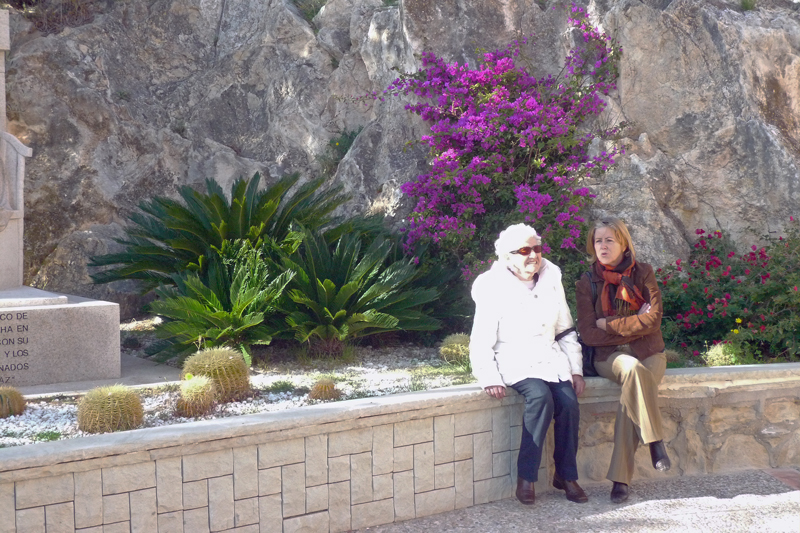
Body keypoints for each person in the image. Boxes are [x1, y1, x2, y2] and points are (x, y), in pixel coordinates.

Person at [469, 223, 588, 505]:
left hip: (550, 358)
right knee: (540, 397)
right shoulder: (491, 285)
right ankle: (527, 477)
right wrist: (489, 377)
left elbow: (565, 329)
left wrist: (576, 369)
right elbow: (481, 338)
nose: (533, 255)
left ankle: (566, 475)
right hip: (515, 359)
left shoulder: (551, 276)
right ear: (507, 256)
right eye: (523, 250)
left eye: (536, 248)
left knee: (569, 403)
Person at [575, 218, 670, 504]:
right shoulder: (586, 282)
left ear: (623, 243)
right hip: (610, 357)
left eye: (609, 240)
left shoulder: (643, 273)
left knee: (634, 384)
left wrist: (610, 324)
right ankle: (655, 441)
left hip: (650, 352)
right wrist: (631, 322)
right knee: (633, 371)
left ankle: (621, 479)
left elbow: (653, 320)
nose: (602, 246)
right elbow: (590, 333)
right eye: (597, 241)